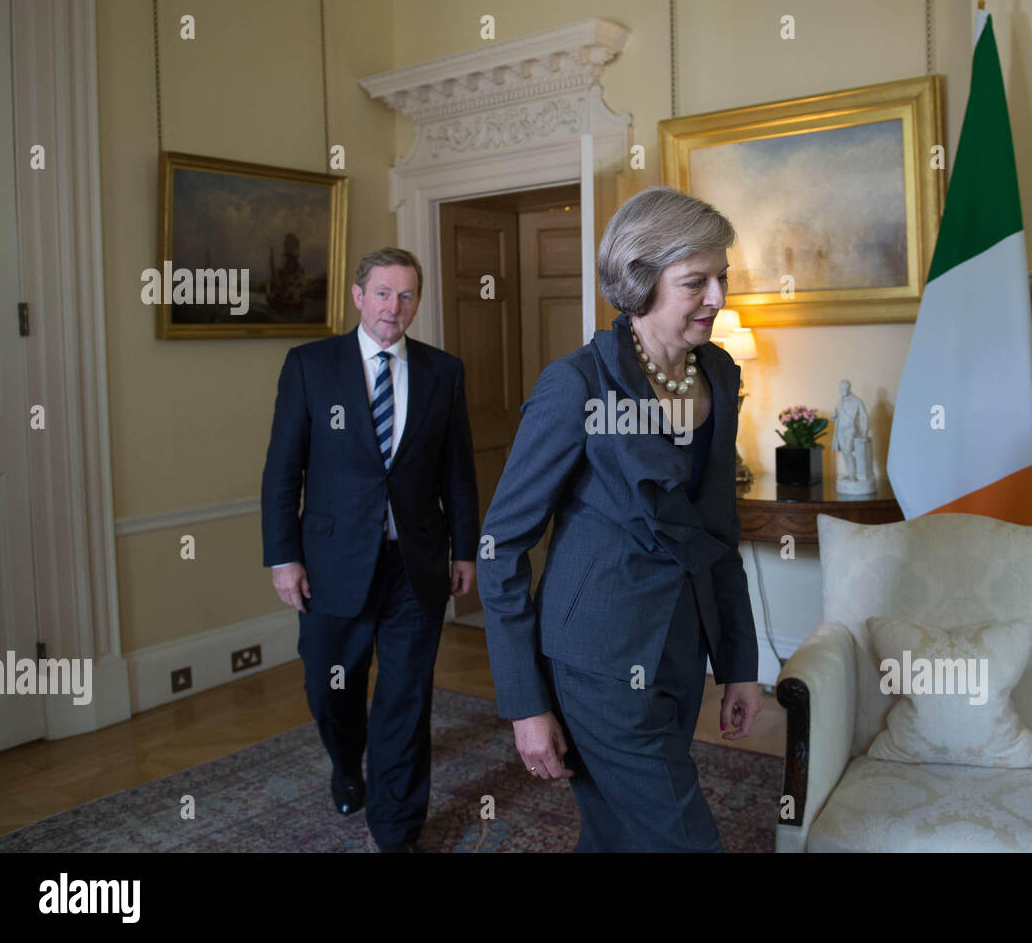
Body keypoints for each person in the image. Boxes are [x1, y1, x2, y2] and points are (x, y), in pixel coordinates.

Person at [478, 186, 762, 852]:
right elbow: (499, 548)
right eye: (697, 281)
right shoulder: (575, 384)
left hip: (681, 652)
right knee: (681, 837)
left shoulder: (718, 374)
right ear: (640, 282)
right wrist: (525, 701)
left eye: (722, 277)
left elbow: (719, 532)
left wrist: (739, 663)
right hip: (595, 664)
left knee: (613, 833)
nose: (719, 297)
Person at [261, 246, 479, 853]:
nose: (394, 307)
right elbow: (283, 471)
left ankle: (395, 826)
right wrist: (284, 558)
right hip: (331, 564)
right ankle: (345, 761)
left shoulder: (444, 371)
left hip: (416, 564)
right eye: (383, 293)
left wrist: (465, 550)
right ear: (358, 297)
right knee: (332, 690)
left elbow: (456, 473)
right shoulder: (310, 366)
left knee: (406, 697)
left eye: (407, 295)